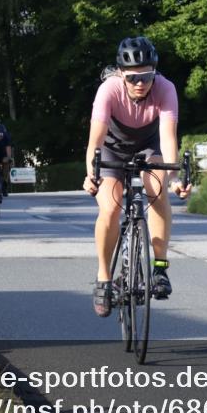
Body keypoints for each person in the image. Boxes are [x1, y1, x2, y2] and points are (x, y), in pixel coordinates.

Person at [84, 36, 192, 318]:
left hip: (149, 146)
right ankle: (104, 279)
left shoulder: (166, 88)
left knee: (157, 189)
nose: (140, 83)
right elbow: (95, 141)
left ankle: (160, 268)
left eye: (147, 76)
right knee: (110, 208)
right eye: (133, 78)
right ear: (121, 74)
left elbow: (168, 138)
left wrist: (173, 176)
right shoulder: (108, 90)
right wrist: (91, 174)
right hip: (112, 150)